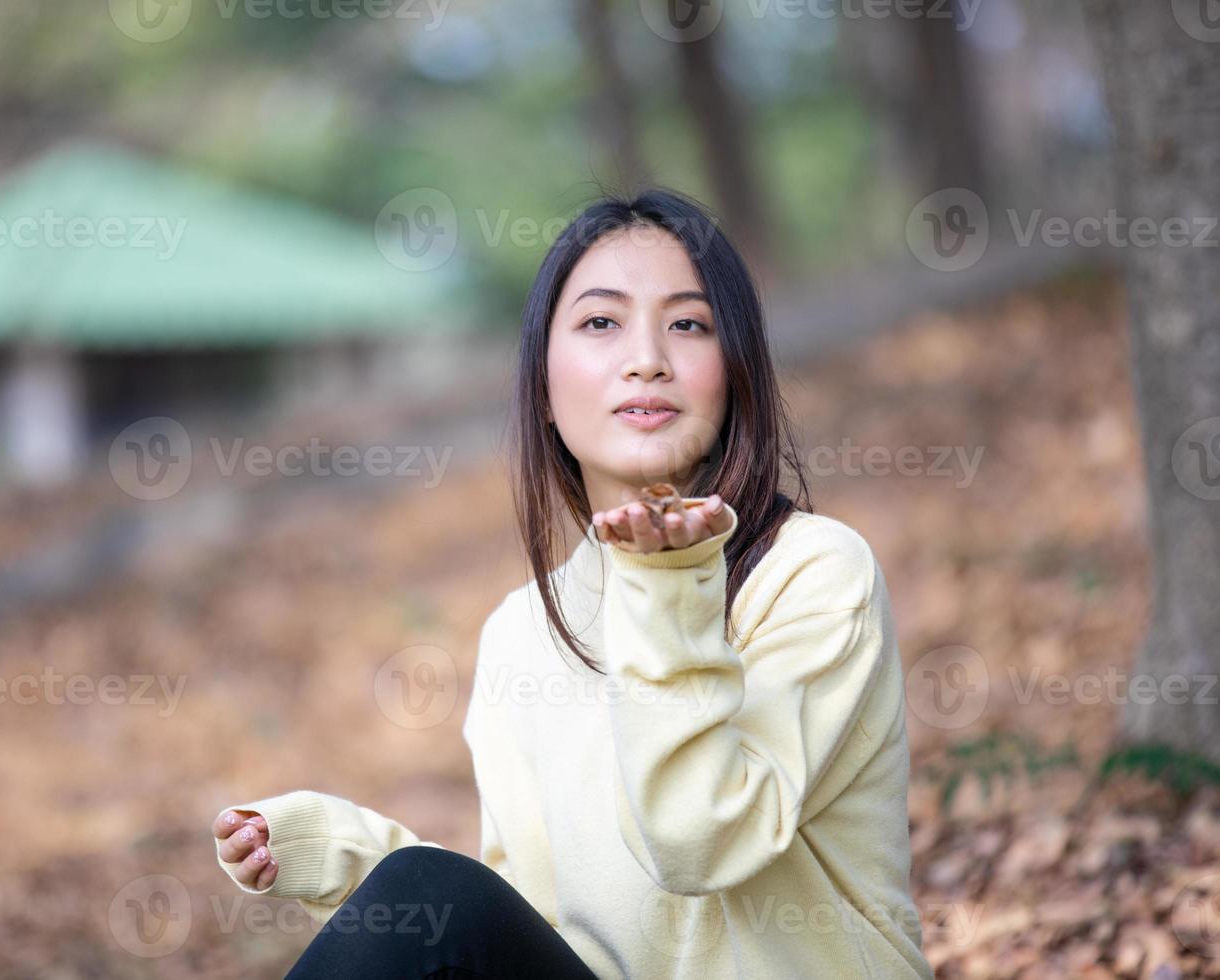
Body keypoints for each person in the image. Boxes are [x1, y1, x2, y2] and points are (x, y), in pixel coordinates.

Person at [212, 188, 936, 979]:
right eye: (601, 322)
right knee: (427, 889)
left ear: (734, 374)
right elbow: (539, 926)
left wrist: (666, 586)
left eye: (689, 323)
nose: (647, 356)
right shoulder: (521, 631)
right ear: (545, 390)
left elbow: (702, 840)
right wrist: (356, 863)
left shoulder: (814, 573)